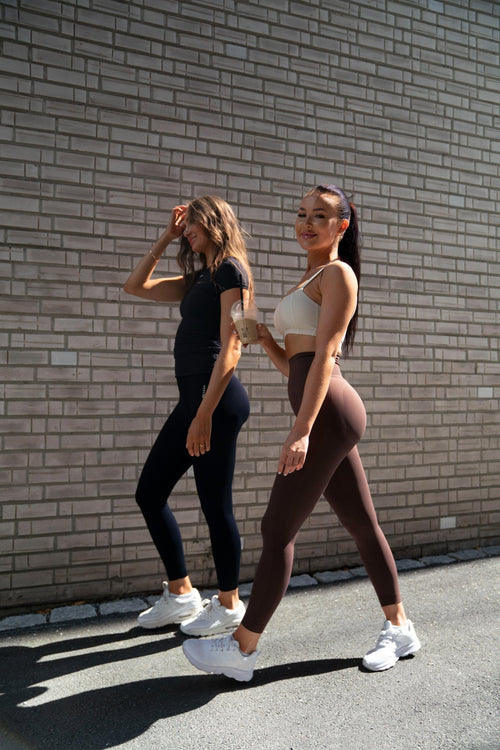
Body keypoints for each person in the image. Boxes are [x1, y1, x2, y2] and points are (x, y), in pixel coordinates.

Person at [182, 184, 421, 680]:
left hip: (329, 413)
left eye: (320, 216)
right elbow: (296, 364)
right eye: (301, 214)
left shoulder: (338, 274)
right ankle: (400, 628)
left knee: (277, 528)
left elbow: (326, 356)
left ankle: (242, 648)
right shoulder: (309, 277)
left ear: (342, 226)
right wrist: (263, 338)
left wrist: (302, 430)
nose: (307, 223)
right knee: (362, 525)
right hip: (324, 413)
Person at [123, 195, 255, 636]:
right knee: (150, 493)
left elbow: (233, 347)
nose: (187, 229)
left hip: (214, 401)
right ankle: (181, 594)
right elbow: (136, 286)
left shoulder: (231, 271)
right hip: (193, 400)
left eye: (192, 222)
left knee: (215, 505)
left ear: (213, 222)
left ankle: (230, 604)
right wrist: (166, 237)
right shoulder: (202, 277)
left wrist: (203, 414)